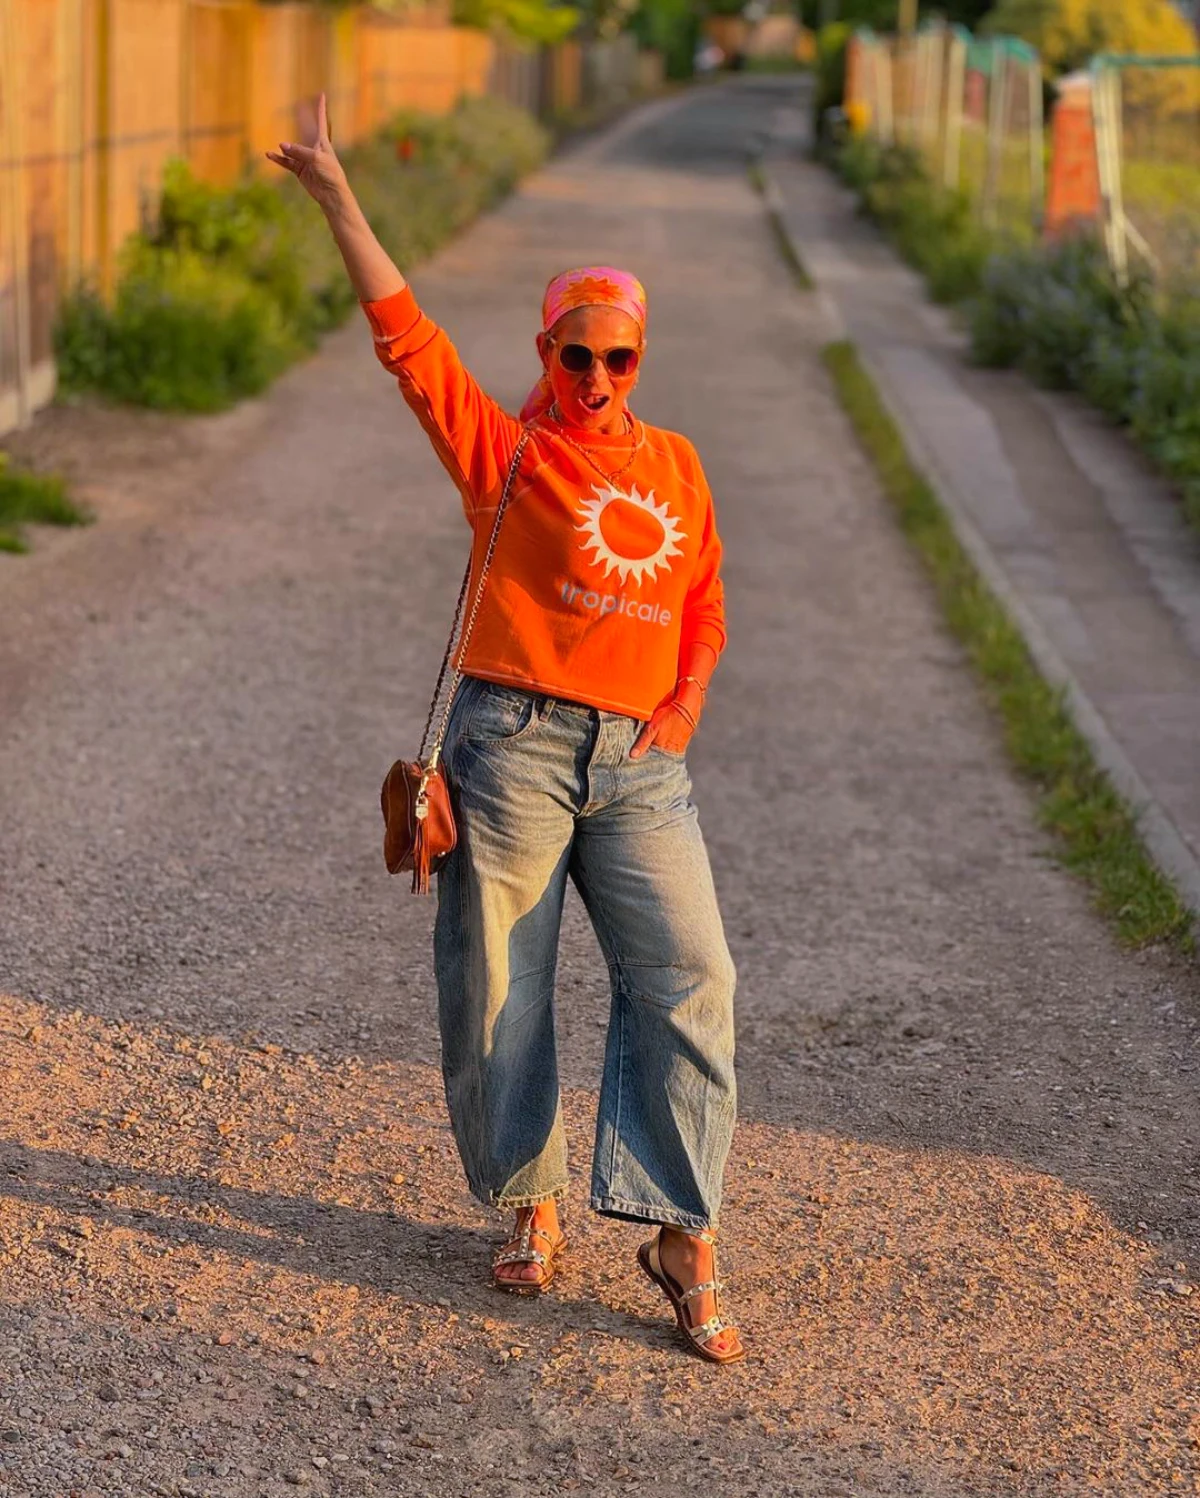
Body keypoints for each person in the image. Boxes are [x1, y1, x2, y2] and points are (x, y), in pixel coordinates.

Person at [268, 96, 744, 1365]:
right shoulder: (507, 455)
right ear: (545, 350)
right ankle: (531, 1196)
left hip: (641, 762)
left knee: (691, 975)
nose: (596, 380)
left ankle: (676, 1228)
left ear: (642, 359)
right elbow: (405, 340)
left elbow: (702, 602)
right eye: (575, 355)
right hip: (515, 746)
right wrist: (339, 199)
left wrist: (681, 711)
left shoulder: (680, 465)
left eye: (619, 360)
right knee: (501, 985)